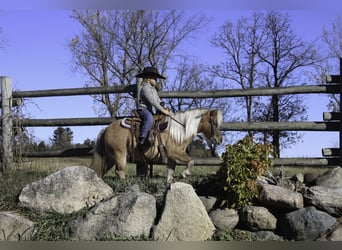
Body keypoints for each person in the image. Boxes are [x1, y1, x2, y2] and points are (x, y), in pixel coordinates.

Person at [135, 66, 173, 146]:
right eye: (154, 78)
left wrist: (165, 107)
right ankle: (143, 137)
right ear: (148, 78)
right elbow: (153, 102)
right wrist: (163, 110)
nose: (156, 80)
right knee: (149, 118)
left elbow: (158, 100)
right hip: (143, 110)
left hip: (151, 110)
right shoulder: (145, 89)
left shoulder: (153, 89)